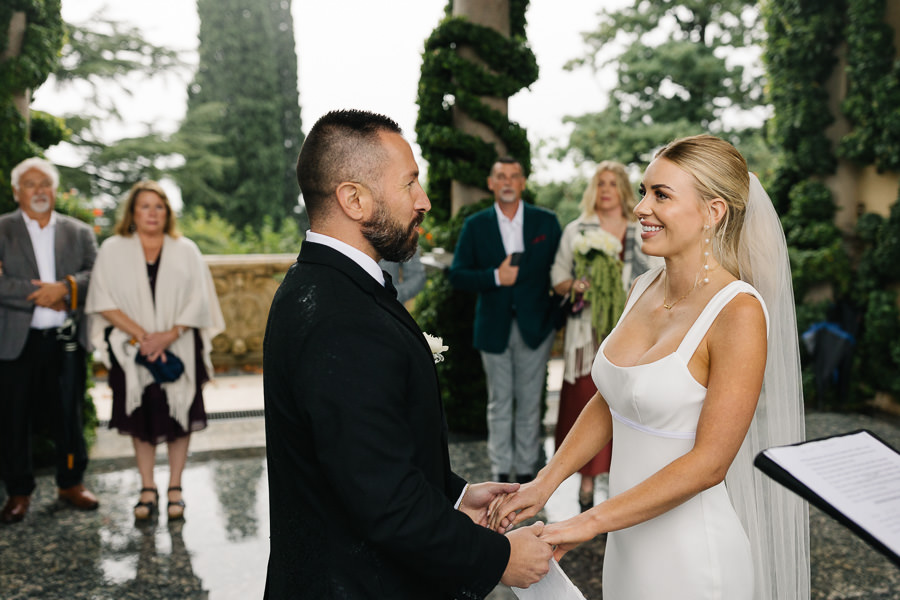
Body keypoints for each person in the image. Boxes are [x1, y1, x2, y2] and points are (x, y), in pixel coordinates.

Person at [491, 135, 809, 600]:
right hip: (627, 543)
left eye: (661, 195)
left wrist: (584, 524)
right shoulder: (642, 287)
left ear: (713, 211)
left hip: (694, 557)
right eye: (643, 191)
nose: (641, 207)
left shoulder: (737, 310)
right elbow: (614, 398)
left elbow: (709, 464)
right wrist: (545, 482)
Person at [263, 109, 552, 599]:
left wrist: (455, 493)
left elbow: (366, 455)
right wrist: (500, 558)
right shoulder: (341, 318)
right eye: (410, 183)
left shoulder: (320, 284)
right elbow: (385, 502)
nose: (424, 200)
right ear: (353, 199)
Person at [85, 180, 224, 521]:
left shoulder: (186, 249)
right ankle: (147, 487)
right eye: (144, 206)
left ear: (168, 213)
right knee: (142, 416)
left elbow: (200, 300)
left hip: (179, 345)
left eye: (159, 206)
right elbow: (102, 300)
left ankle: (175, 486)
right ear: (132, 212)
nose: (152, 213)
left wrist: (169, 335)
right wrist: (146, 336)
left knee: (179, 418)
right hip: (132, 348)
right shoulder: (113, 249)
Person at [550, 161, 660, 511]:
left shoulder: (640, 227)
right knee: (586, 401)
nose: (606, 190)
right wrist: (579, 285)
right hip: (586, 335)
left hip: (632, 330)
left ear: (623, 189)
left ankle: (624, 486)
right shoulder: (577, 229)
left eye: (613, 183)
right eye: (600, 183)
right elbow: (558, 278)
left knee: (626, 404)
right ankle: (585, 485)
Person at [448, 157, 561, 484]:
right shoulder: (475, 225)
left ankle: (526, 472)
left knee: (528, 403)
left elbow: (561, 272)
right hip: (493, 327)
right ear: (491, 183)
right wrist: (495, 276)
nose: (508, 181)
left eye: (514, 176)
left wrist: (555, 318)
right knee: (499, 403)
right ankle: (500, 470)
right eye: (501, 176)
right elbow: (457, 275)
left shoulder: (546, 222)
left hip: (536, 327)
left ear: (523, 182)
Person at [0, 157, 100, 524]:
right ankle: (18, 491)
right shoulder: (2, 230)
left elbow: (96, 274)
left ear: (55, 190)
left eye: (45, 183)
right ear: (16, 191)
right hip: (14, 341)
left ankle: (71, 483)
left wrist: (67, 288)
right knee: (13, 418)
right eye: (30, 184)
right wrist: (36, 292)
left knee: (68, 416)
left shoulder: (79, 232)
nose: (39, 190)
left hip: (66, 340)